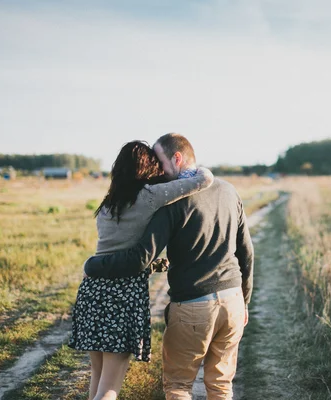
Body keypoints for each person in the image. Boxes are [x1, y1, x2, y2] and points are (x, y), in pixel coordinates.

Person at [84, 133, 254, 400]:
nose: (159, 173)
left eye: (161, 163)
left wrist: (94, 265)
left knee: (178, 386)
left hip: (193, 305)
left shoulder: (172, 203)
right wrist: (244, 300)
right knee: (221, 385)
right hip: (232, 300)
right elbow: (246, 252)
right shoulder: (230, 190)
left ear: (176, 158)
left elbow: (141, 256)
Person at [68, 140, 214, 400]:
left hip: (91, 291)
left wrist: (154, 264)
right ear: (147, 168)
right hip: (121, 295)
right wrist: (200, 169)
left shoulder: (108, 203)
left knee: (97, 379)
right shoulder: (148, 196)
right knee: (110, 388)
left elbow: (116, 246)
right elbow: (202, 181)